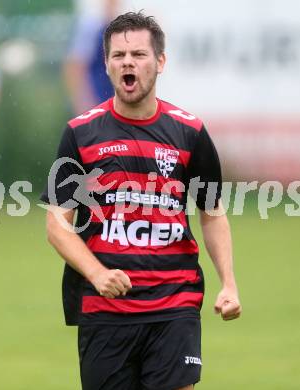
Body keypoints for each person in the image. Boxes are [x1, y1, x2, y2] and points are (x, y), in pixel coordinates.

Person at [42, 11, 241, 390]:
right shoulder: (80, 134)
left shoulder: (190, 133)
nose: (128, 63)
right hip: (105, 310)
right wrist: (98, 274)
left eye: (138, 54)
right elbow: (57, 225)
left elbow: (212, 214)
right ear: (107, 64)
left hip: (175, 304)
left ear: (160, 62)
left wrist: (228, 284)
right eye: (118, 56)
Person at [63, 0, 119, 114]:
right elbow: (73, 67)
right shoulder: (91, 27)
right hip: (97, 100)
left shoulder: (122, 26)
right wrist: (83, 103)